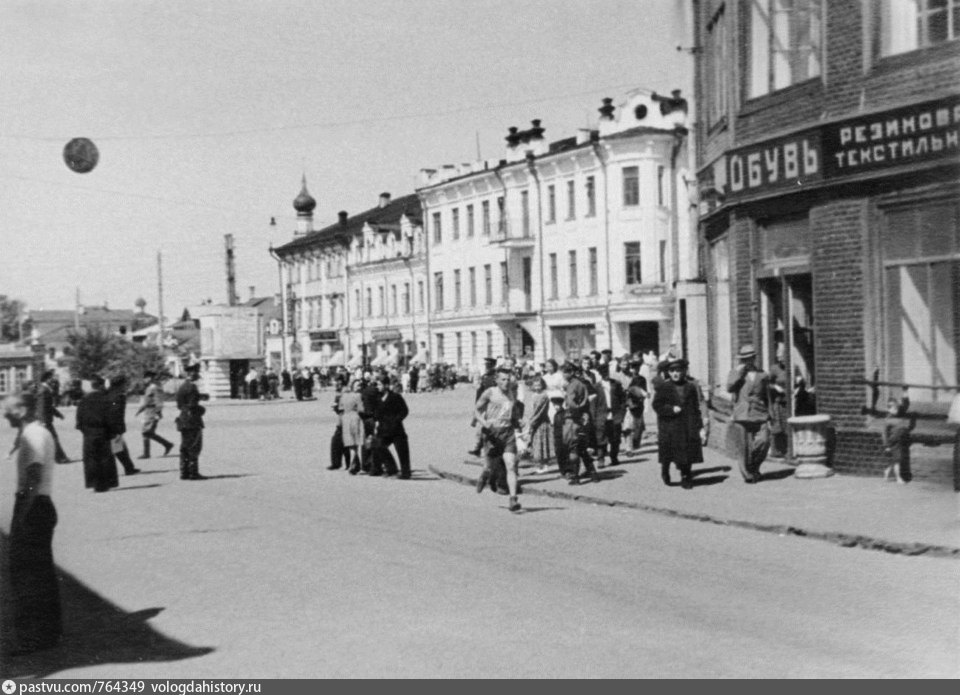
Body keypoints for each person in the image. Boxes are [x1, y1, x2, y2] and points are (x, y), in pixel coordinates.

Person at [3, 391, 62, 655]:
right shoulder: (36, 432)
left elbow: (33, 476)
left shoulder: (34, 435)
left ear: (25, 410)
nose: (5, 414)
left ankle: (34, 637)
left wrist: (22, 516)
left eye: (10, 409)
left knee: (28, 576)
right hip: (38, 505)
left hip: (33, 505)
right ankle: (48, 632)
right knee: (39, 573)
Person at [652, 358, 707, 489]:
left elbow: (695, 408)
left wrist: (700, 426)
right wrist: (671, 409)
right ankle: (665, 470)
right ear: (669, 373)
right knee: (668, 454)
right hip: (669, 426)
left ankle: (686, 476)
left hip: (686, 425)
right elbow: (656, 405)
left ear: (683, 371)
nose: (675, 374)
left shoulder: (690, 387)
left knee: (686, 452)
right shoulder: (664, 387)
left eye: (678, 370)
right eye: (672, 371)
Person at [474, 368, 524, 512]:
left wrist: (519, 422)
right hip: (492, 434)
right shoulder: (490, 392)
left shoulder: (511, 393)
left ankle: (513, 499)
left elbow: (513, 415)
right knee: (490, 467)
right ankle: (485, 475)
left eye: (508, 379)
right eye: (503, 379)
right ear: (496, 380)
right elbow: (476, 411)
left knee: (510, 465)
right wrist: (484, 423)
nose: (506, 382)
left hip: (507, 434)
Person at [726, 343, 772, 484]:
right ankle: (748, 474)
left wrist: (770, 414)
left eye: (750, 358)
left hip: (759, 412)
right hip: (742, 414)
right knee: (744, 447)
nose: (747, 361)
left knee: (764, 441)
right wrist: (739, 373)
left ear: (754, 358)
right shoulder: (735, 373)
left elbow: (767, 395)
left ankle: (754, 466)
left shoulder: (762, 374)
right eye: (744, 359)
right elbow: (729, 388)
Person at [76, 375, 119, 493]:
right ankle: (107, 483)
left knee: (91, 459)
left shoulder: (83, 400)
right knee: (105, 458)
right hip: (104, 432)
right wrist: (113, 431)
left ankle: (94, 483)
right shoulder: (107, 399)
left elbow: (79, 420)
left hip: (89, 433)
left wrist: (85, 430)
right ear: (100, 386)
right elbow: (112, 417)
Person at [560, 362, 601, 485]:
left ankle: (575, 476)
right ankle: (593, 474)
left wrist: (571, 409)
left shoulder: (572, 386)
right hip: (583, 417)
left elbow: (572, 403)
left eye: (565, 372)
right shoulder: (581, 384)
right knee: (582, 448)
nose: (563, 375)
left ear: (571, 372)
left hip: (573, 419)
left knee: (573, 449)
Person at [372, 375, 411, 479]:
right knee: (378, 446)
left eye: (379, 384)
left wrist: (396, 420)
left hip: (397, 430)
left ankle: (405, 473)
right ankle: (391, 469)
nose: (377, 387)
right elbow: (376, 413)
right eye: (377, 384)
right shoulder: (378, 398)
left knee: (403, 452)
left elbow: (405, 411)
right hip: (383, 430)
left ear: (386, 385)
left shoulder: (396, 397)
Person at [176, 364, 209, 480]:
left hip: (183, 419)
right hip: (192, 420)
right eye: (196, 373)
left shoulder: (182, 386)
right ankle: (193, 472)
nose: (197, 376)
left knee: (184, 446)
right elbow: (193, 406)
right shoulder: (192, 387)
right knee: (194, 446)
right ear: (192, 373)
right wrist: (202, 409)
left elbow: (180, 405)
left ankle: (184, 472)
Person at [106, 375, 141, 476]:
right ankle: (128, 468)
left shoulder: (108, 394)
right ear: (119, 385)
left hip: (109, 425)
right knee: (118, 448)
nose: (125, 386)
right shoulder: (117, 396)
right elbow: (115, 411)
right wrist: (118, 427)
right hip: (114, 426)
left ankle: (129, 467)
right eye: (124, 384)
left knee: (119, 447)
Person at [136, 370, 174, 460]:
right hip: (148, 411)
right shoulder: (149, 387)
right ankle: (167, 444)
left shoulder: (154, 387)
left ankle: (147, 453)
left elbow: (159, 401)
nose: (144, 380)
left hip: (152, 412)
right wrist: (140, 410)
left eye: (145, 378)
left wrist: (158, 412)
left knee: (146, 432)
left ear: (150, 378)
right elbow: (147, 401)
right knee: (149, 432)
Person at [595, 363, 627, 468]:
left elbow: (623, 399)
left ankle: (614, 457)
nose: (606, 375)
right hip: (601, 415)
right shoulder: (597, 386)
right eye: (603, 373)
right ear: (600, 374)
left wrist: (622, 413)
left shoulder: (616, 384)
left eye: (607, 372)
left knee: (615, 438)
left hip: (615, 414)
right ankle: (601, 459)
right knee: (601, 438)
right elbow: (594, 403)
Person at [467, 357, 498, 457]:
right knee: (481, 429)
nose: (487, 367)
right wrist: (477, 405)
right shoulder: (484, 376)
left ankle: (487, 449)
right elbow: (479, 392)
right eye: (486, 365)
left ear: (493, 365)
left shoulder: (496, 377)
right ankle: (478, 448)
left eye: (489, 365)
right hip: (484, 405)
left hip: (493, 406)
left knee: (490, 429)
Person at [37, 370, 70, 464]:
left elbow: (49, 406)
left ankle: (57, 458)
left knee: (49, 439)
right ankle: (60, 458)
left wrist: (59, 415)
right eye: (51, 378)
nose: (52, 379)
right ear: (47, 379)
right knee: (53, 438)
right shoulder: (44, 390)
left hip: (45, 420)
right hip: (45, 420)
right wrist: (43, 421)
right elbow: (42, 406)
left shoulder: (45, 389)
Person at [522, 375, 553, 474]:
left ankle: (545, 465)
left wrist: (531, 424)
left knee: (542, 444)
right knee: (536, 444)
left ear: (542, 385)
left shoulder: (543, 396)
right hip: (533, 421)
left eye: (539, 385)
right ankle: (541, 465)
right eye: (535, 385)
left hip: (541, 422)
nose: (537, 387)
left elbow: (538, 412)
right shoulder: (533, 395)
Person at [882, 395, 912, 484]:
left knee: (896, 459)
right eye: (893, 408)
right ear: (888, 409)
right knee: (898, 459)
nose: (896, 410)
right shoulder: (887, 420)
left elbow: (905, 405)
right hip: (893, 442)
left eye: (896, 408)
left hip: (900, 440)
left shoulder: (899, 415)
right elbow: (884, 434)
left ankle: (887, 471)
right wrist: (886, 445)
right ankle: (898, 478)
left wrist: (905, 395)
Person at [768, 343, 790, 458]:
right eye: (780, 357)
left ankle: (787, 450)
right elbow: (767, 384)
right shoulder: (774, 369)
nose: (782, 360)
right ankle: (775, 449)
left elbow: (800, 380)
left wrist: (799, 381)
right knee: (777, 424)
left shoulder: (792, 367)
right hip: (778, 400)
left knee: (787, 425)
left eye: (784, 357)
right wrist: (775, 387)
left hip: (789, 401)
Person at [340, 380, 366, 474]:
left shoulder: (344, 395)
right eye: (358, 385)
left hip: (345, 418)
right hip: (355, 418)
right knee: (356, 442)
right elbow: (361, 409)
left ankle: (354, 464)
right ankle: (354, 464)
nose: (359, 387)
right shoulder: (358, 396)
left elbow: (340, 408)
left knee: (350, 443)